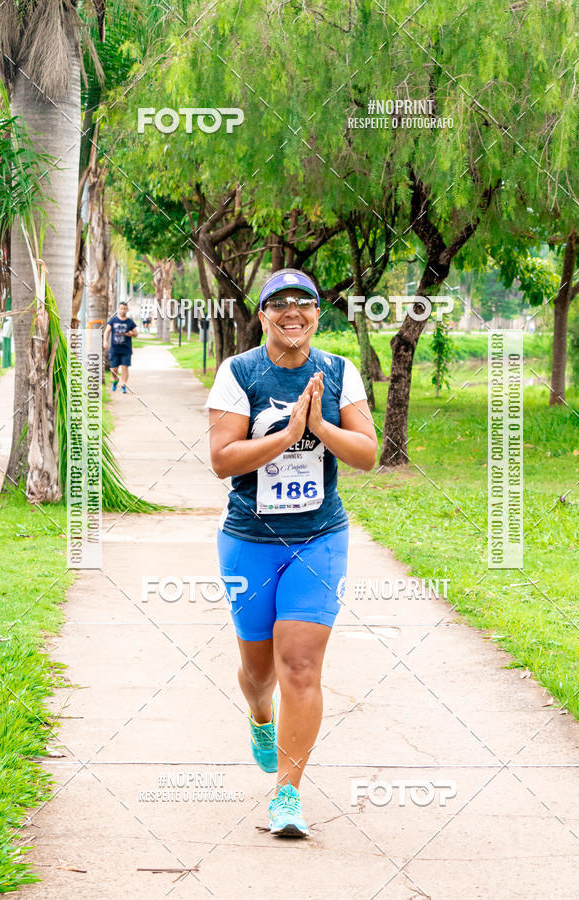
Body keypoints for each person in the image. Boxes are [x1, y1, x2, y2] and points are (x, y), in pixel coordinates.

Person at [205, 268, 377, 837]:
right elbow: (223, 459)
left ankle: (287, 794)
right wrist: (284, 435)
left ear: (316, 314)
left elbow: (367, 455)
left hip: (318, 538)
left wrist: (319, 425)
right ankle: (260, 715)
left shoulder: (338, 371)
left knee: (300, 665)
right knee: (259, 671)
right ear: (263, 315)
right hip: (249, 542)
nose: (292, 313)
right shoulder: (239, 373)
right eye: (279, 305)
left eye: (303, 303)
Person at [104, 302, 138, 394]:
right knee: (113, 369)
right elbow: (107, 331)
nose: (123, 310)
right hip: (115, 349)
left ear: (127, 310)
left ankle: (123, 385)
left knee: (124, 368)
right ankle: (115, 381)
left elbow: (136, 333)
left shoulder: (130, 322)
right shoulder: (113, 320)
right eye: (121, 308)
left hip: (126, 350)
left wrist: (131, 334)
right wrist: (105, 341)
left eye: (124, 308)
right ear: (118, 309)